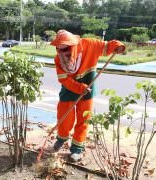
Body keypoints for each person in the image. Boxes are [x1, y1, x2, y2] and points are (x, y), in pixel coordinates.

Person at [50, 29, 125, 162]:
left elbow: (107, 46)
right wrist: (79, 88)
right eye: (59, 49)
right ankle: (61, 139)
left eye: (65, 49)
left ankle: (76, 149)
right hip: (69, 90)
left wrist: (117, 45)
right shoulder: (58, 59)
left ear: (73, 45)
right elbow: (63, 79)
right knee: (64, 117)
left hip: (87, 92)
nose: (62, 53)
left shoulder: (90, 44)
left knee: (83, 119)